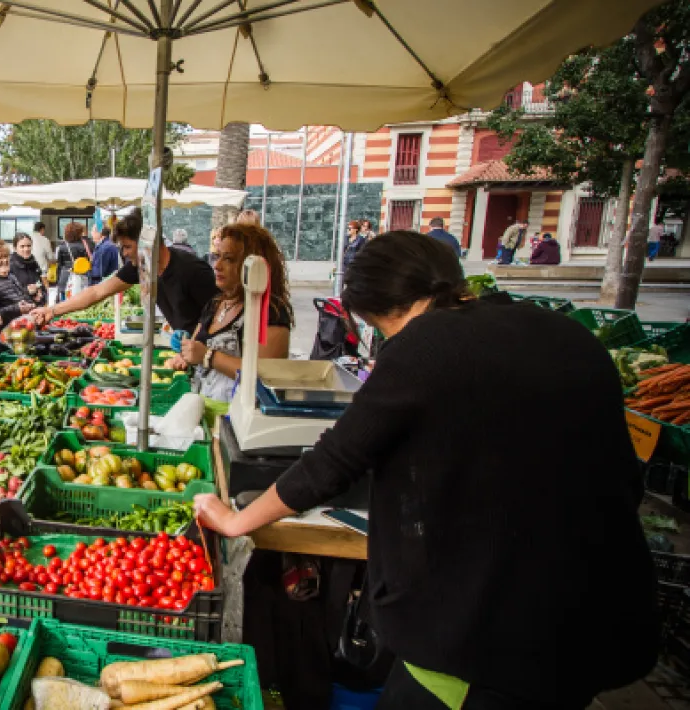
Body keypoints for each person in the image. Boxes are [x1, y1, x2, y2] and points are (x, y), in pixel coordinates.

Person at [193, 230, 657, 708]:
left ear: (381, 308)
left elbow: (334, 462)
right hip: (606, 615)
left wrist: (236, 519)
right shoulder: (564, 333)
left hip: (493, 637)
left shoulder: (424, 345)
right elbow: (620, 474)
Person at [166, 223, 292, 425]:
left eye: (229, 259)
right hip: (200, 414)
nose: (217, 265)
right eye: (218, 256)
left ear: (254, 266)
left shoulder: (270, 311)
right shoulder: (216, 303)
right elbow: (195, 346)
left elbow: (265, 376)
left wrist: (208, 356)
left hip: (236, 424)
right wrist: (184, 354)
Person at [33, 210, 220, 335]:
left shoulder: (192, 269)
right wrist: (52, 310)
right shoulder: (141, 266)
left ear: (150, 242)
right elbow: (97, 292)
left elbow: (217, 317)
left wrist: (196, 343)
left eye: (128, 246)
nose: (124, 253)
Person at [0, 238, 34, 329]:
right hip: (6, 331)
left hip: (22, 326)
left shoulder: (11, 276)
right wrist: (17, 309)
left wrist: (31, 303)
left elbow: (22, 297)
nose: (5, 260)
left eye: (6, 256)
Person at [54, 222, 93, 299]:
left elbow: (59, 265)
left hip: (65, 279)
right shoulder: (87, 246)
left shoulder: (61, 247)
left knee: (64, 303)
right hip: (82, 279)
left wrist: (58, 282)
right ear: (79, 233)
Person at [9, 233, 47, 305]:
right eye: (22, 246)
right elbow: (7, 292)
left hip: (36, 307)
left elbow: (41, 285)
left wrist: (41, 295)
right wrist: (27, 292)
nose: (26, 249)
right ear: (15, 248)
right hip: (19, 309)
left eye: (29, 246)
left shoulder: (34, 263)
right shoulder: (10, 266)